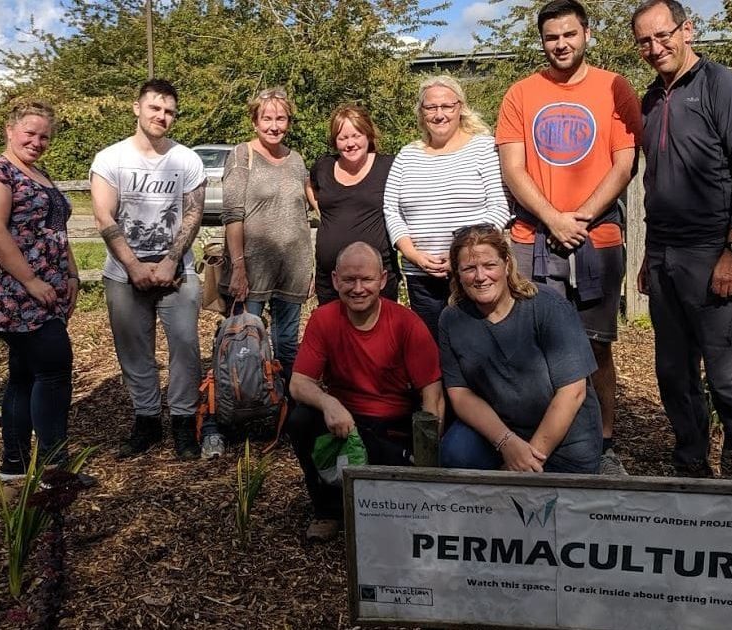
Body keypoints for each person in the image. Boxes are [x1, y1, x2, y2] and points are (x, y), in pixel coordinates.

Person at [495, 0, 642, 476]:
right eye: (552, 37)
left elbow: (625, 163)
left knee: (595, 346)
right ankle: (543, 441)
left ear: (587, 34)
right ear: (542, 41)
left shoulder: (614, 87)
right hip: (531, 237)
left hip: (596, 238)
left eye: (569, 34)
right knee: (532, 345)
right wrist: (552, 217)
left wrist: (579, 216)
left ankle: (603, 445)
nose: (561, 44)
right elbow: (513, 168)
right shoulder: (521, 94)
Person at [631, 0, 732, 478]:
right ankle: (691, 464)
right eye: (644, 40)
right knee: (673, 371)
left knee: (729, 375)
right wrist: (649, 254)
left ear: (687, 30)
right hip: (665, 255)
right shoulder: (649, 98)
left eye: (663, 35)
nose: (655, 47)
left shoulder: (719, 84)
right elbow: (654, 185)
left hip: (713, 252)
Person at [288, 242, 444, 541]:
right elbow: (298, 382)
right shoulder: (324, 319)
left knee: (393, 509)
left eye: (366, 280)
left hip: (393, 424)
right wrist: (327, 402)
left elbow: (432, 393)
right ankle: (328, 510)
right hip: (345, 421)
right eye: (349, 280)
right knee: (301, 419)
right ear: (335, 280)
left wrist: (429, 456)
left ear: (383, 280)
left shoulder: (406, 323)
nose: (358, 289)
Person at [91, 79, 207, 460]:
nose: (162, 116)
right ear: (137, 108)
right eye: (155, 108)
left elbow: (192, 213)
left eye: (170, 111)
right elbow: (103, 213)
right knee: (134, 350)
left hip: (178, 273)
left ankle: (183, 422)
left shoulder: (186, 159)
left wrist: (172, 259)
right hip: (125, 274)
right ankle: (146, 421)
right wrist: (133, 265)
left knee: (186, 348)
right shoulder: (111, 159)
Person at [0, 100, 77, 482]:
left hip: (45, 289)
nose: (37, 141)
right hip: (10, 291)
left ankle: (13, 470)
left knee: (24, 375)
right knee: (53, 371)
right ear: (9, 130)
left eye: (44, 136)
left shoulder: (37, 173)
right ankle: (54, 470)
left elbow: (55, 233)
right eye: (30, 133)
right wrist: (31, 281)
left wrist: (72, 277)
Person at [437, 224, 602, 474]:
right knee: (455, 452)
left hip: (565, 436)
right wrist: (507, 443)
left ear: (506, 264)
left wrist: (528, 459)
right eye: (469, 268)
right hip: (501, 430)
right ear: (458, 274)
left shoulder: (547, 306)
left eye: (489, 265)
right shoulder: (452, 319)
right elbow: (460, 394)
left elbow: (573, 391)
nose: (480, 276)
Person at [212, 86, 312, 458]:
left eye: (281, 118)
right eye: (267, 118)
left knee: (287, 342)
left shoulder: (297, 159)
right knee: (246, 345)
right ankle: (240, 410)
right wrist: (238, 267)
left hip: (293, 266)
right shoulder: (242, 156)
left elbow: (309, 207)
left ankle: (285, 412)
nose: (274, 125)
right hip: (252, 270)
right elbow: (232, 215)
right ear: (254, 120)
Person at [383, 75, 511, 340]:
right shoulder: (407, 155)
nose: (439, 114)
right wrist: (413, 254)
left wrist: (460, 254)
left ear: (460, 107)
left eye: (447, 106)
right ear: (421, 112)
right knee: (430, 350)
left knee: (479, 346)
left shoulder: (483, 148)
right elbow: (391, 210)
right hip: (421, 275)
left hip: (474, 272)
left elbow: (500, 206)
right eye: (431, 108)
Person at [306, 104, 400, 305]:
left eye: (356, 136)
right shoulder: (324, 166)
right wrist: (322, 212)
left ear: (368, 135)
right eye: (343, 138)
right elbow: (309, 186)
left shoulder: (389, 166)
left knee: (379, 333)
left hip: (376, 280)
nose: (350, 143)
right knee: (334, 333)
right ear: (335, 141)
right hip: (332, 279)